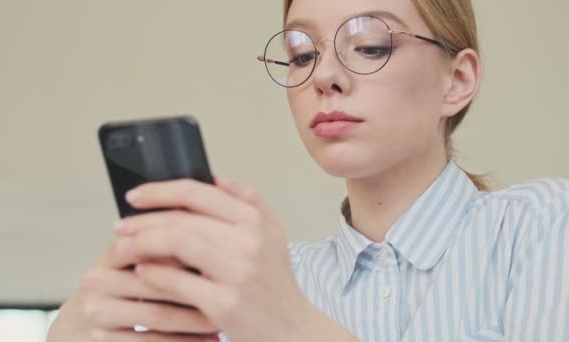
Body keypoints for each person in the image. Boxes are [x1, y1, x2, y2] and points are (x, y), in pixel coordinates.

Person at [47, 0, 569, 340]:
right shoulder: (264, 281)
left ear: (457, 80)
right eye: (301, 54)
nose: (324, 76)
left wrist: (290, 327)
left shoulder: (541, 225)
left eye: (369, 45)